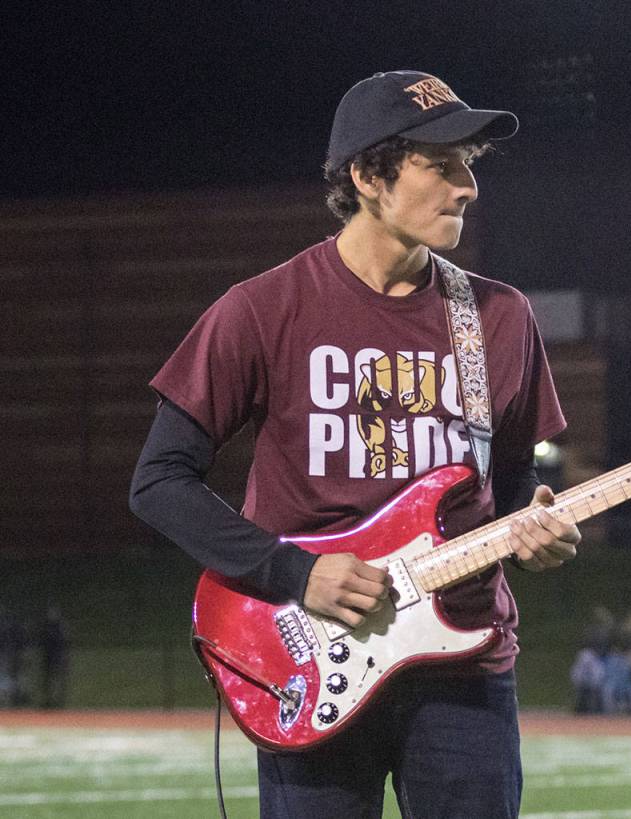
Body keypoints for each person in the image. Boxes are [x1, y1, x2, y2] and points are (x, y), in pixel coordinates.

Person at [129, 70, 581, 818]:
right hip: (312, 654)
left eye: (470, 164)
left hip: (463, 665)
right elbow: (159, 481)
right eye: (442, 165)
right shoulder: (261, 309)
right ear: (370, 176)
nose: (467, 186)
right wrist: (293, 573)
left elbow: (507, 491)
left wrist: (537, 529)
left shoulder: (500, 318)